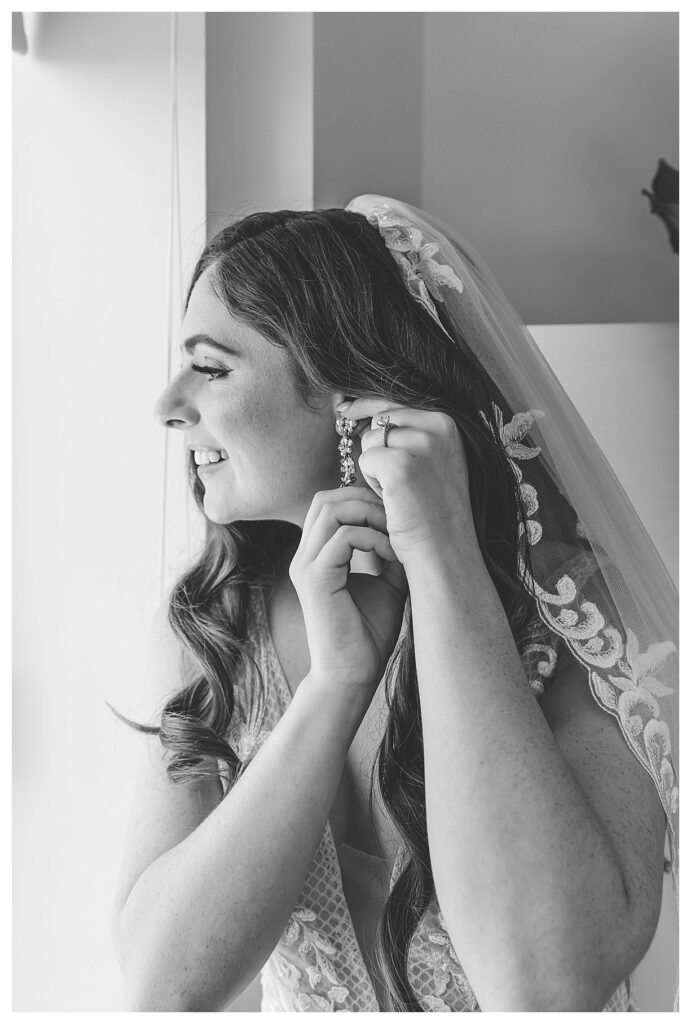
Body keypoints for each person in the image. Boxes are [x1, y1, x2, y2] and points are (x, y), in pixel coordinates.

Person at [111, 196, 678, 1012]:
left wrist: (444, 561)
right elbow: (163, 989)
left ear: (354, 392)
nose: (167, 405)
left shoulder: (570, 615)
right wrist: (333, 686)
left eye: (210, 367)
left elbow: (546, 981)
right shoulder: (212, 622)